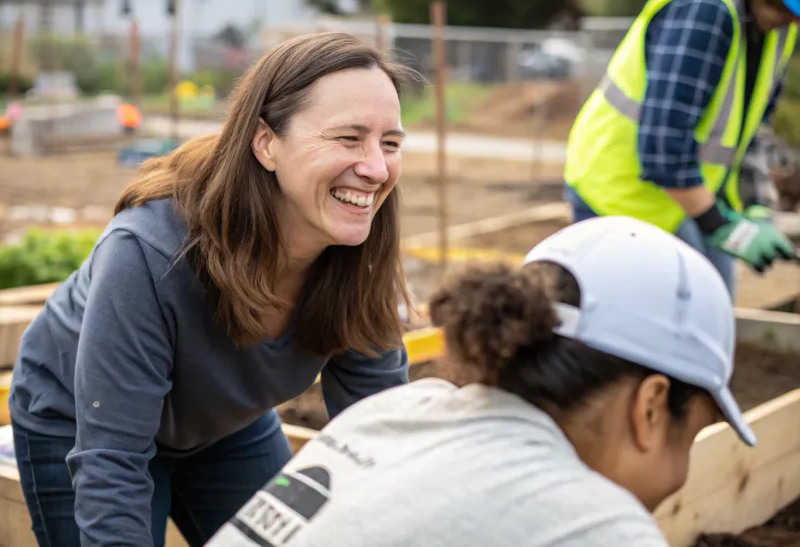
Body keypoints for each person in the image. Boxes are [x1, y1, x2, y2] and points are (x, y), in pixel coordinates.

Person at [9, 32, 417, 547]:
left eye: (391, 143)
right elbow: (111, 464)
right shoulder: (151, 252)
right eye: (347, 138)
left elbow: (377, 434)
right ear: (266, 142)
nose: (377, 168)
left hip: (222, 424)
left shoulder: (360, 248)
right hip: (80, 424)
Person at [205, 215, 751, 547]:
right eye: (694, 436)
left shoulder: (399, 411)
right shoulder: (592, 524)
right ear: (652, 407)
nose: (682, 472)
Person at [563, 0, 800, 297]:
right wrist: (721, 227)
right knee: (659, 317)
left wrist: (757, 208)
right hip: (623, 192)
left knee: (712, 300)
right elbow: (663, 147)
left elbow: (750, 131)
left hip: (685, 195)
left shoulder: (778, 31)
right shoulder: (705, 12)